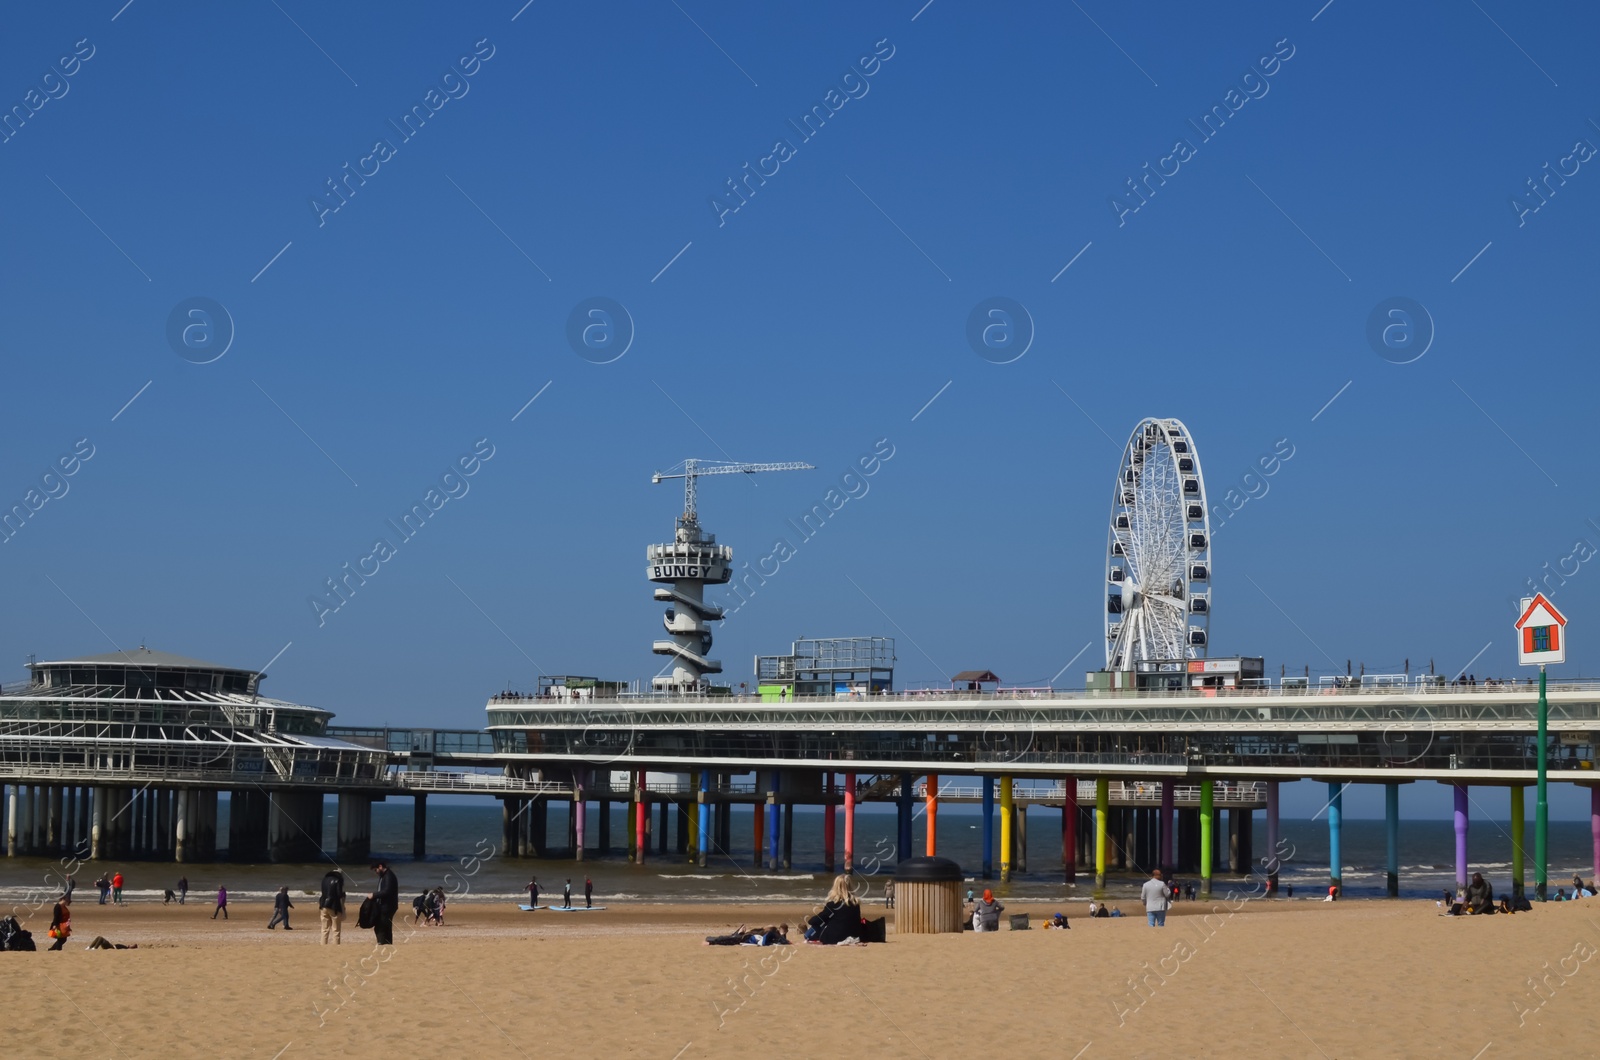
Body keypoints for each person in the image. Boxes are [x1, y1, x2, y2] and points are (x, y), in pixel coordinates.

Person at [808, 874, 865, 945]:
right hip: (853, 935)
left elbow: (816, 920)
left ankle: (807, 935)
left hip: (834, 938)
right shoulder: (855, 904)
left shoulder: (832, 905)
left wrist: (811, 920)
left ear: (836, 887)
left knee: (814, 928)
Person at [370, 861, 398, 945]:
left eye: (376, 870)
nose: (376, 872)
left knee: (381, 926)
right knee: (385, 926)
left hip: (388, 906)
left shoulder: (389, 876)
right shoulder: (384, 875)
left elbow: (387, 891)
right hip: (385, 905)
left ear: (380, 866)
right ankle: (387, 943)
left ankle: (382, 943)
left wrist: (374, 895)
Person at [318, 869, 345, 945]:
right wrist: (343, 895)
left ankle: (323, 945)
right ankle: (336, 946)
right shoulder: (337, 880)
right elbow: (339, 894)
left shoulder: (324, 880)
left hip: (323, 905)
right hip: (334, 906)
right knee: (336, 930)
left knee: (324, 929)